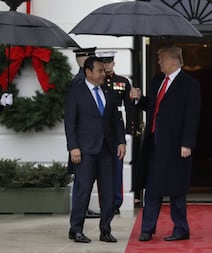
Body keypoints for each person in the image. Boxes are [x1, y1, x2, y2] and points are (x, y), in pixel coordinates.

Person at [130, 46, 201, 242]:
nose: (159, 62)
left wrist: (187, 143)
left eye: (161, 59)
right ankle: (147, 228)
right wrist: (138, 99)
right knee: (152, 187)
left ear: (173, 60)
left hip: (177, 145)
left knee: (176, 188)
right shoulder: (157, 81)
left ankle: (181, 228)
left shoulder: (190, 84)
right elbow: (152, 106)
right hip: (155, 143)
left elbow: (192, 117)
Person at [65, 56, 126, 243]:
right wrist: (73, 147)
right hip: (84, 152)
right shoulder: (76, 91)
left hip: (107, 150)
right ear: (88, 72)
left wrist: (121, 141)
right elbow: (70, 122)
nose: (103, 73)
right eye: (99, 70)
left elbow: (116, 119)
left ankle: (105, 229)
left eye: (104, 70)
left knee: (108, 192)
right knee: (83, 192)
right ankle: (76, 230)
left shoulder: (108, 91)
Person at [96, 50, 138, 215]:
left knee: (116, 167)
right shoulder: (95, 81)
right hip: (99, 130)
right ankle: (104, 203)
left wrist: (129, 131)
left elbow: (129, 108)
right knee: (100, 169)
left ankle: (116, 203)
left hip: (116, 131)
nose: (106, 65)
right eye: (104, 62)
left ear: (113, 63)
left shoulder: (122, 81)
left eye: (109, 62)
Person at [69, 47, 101, 219]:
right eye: (89, 57)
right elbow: (72, 119)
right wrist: (74, 146)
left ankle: (83, 209)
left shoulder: (93, 81)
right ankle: (79, 216)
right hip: (84, 144)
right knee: (82, 185)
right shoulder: (79, 82)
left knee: (84, 184)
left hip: (93, 144)